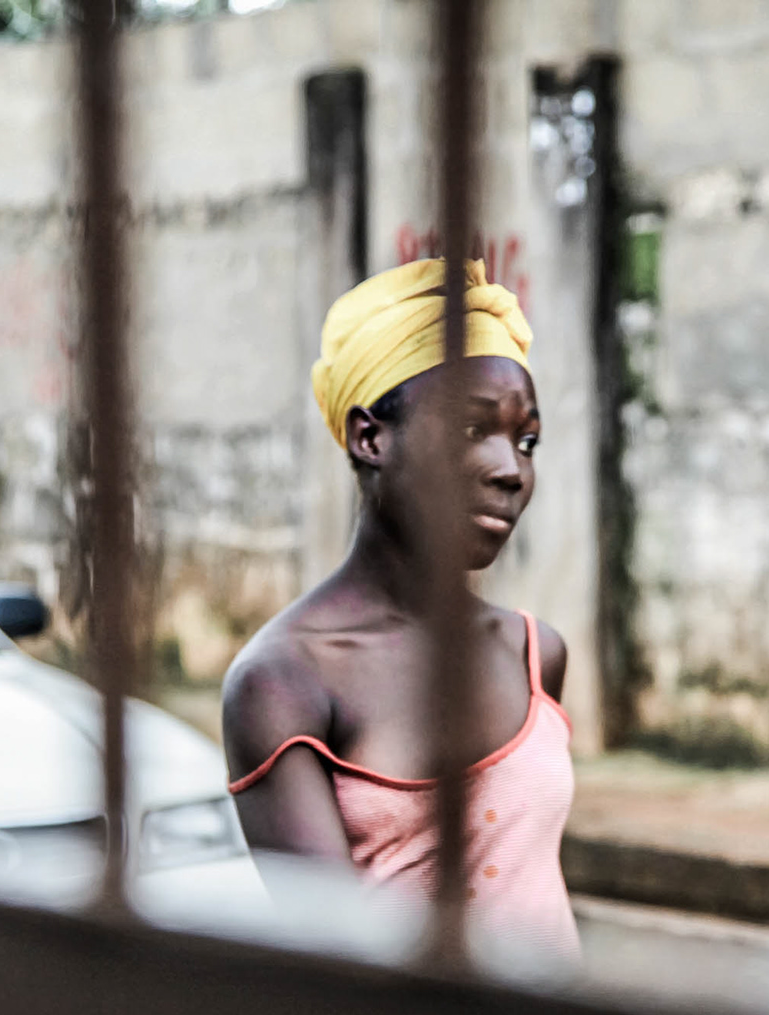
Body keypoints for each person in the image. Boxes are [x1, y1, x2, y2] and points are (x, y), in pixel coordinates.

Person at [221, 258, 579, 962]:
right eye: (475, 430)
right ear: (370, 438)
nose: (512, 469)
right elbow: (337, 954)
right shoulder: (285, 680)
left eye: (526, 439)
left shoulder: (534, 654)